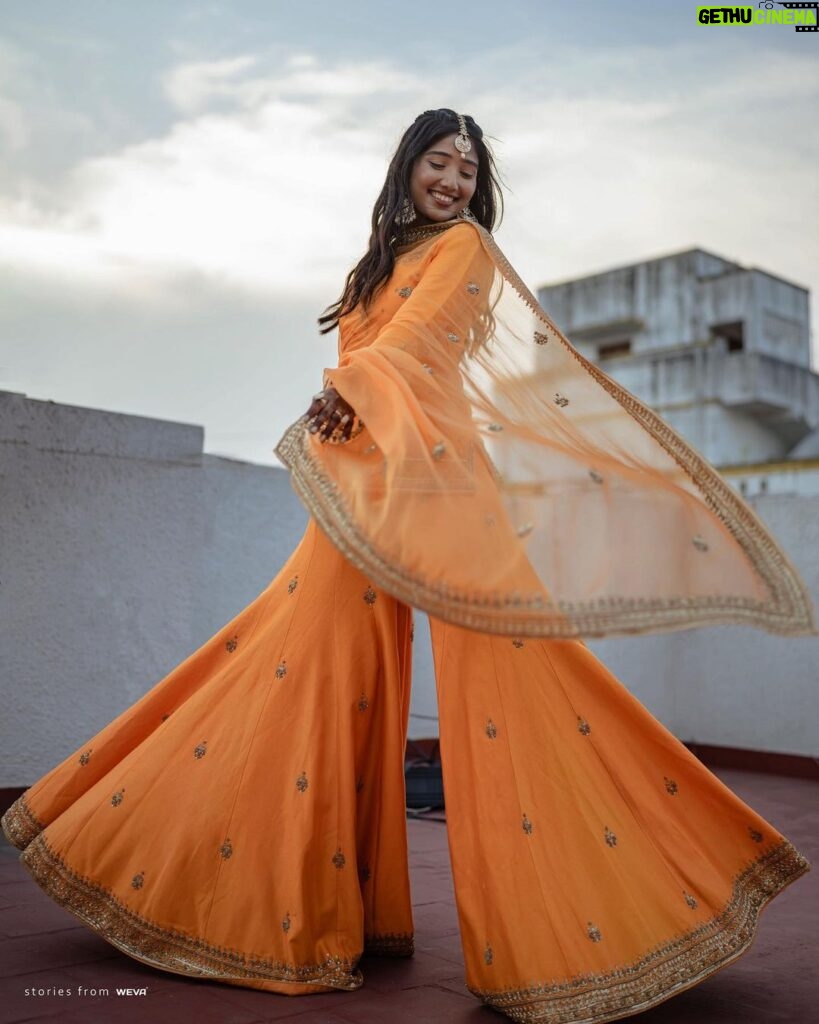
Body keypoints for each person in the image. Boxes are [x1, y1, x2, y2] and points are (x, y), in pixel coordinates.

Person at [2, 108, 814, 1023]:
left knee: (523, 678)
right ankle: (254, 899)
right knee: (303, 664)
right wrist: (347, 400)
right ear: (407, 167)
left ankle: (644, 903)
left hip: (442, 486)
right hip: (360, 492)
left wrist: (346, 391)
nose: (455, 183)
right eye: (440, 163)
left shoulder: (462, 249)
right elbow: (372, 350)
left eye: (467, 170)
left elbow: (417, 347)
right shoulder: (377, 266)